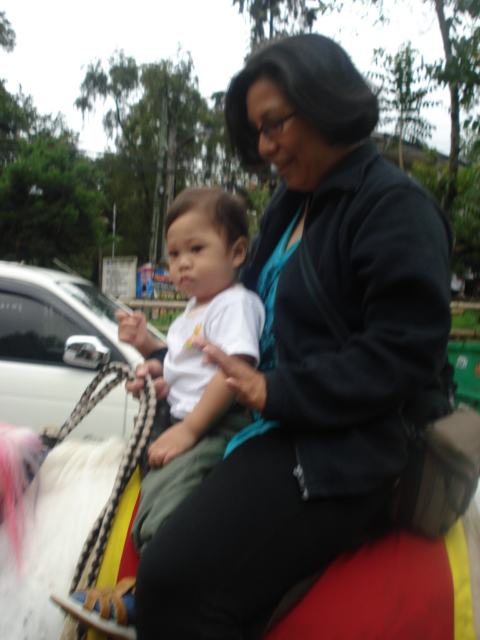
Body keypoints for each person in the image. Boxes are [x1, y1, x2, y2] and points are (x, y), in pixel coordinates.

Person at [61, 33, 453, 640]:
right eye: (257, 131)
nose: (265, 146)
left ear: (325, 103)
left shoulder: (393, 206)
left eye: (275, 125)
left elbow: (405, 352)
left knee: (174, 581)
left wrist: (276, 390)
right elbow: (243, 320)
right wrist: (174, 364)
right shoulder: (289, 207)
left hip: (340, 447)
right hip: (264, 423)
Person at [51, 187, 264, 638]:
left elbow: (234, 371)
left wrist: (190, 429)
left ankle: (157, 595)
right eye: (174, 254)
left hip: (214, 423)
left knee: (171, 498)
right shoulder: (193, 311)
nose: (182, 263)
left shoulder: (235, 304)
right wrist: (148, 349)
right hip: (184, 418)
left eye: (196, 249)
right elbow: (182, 364)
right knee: (147, 491)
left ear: (237, 252)